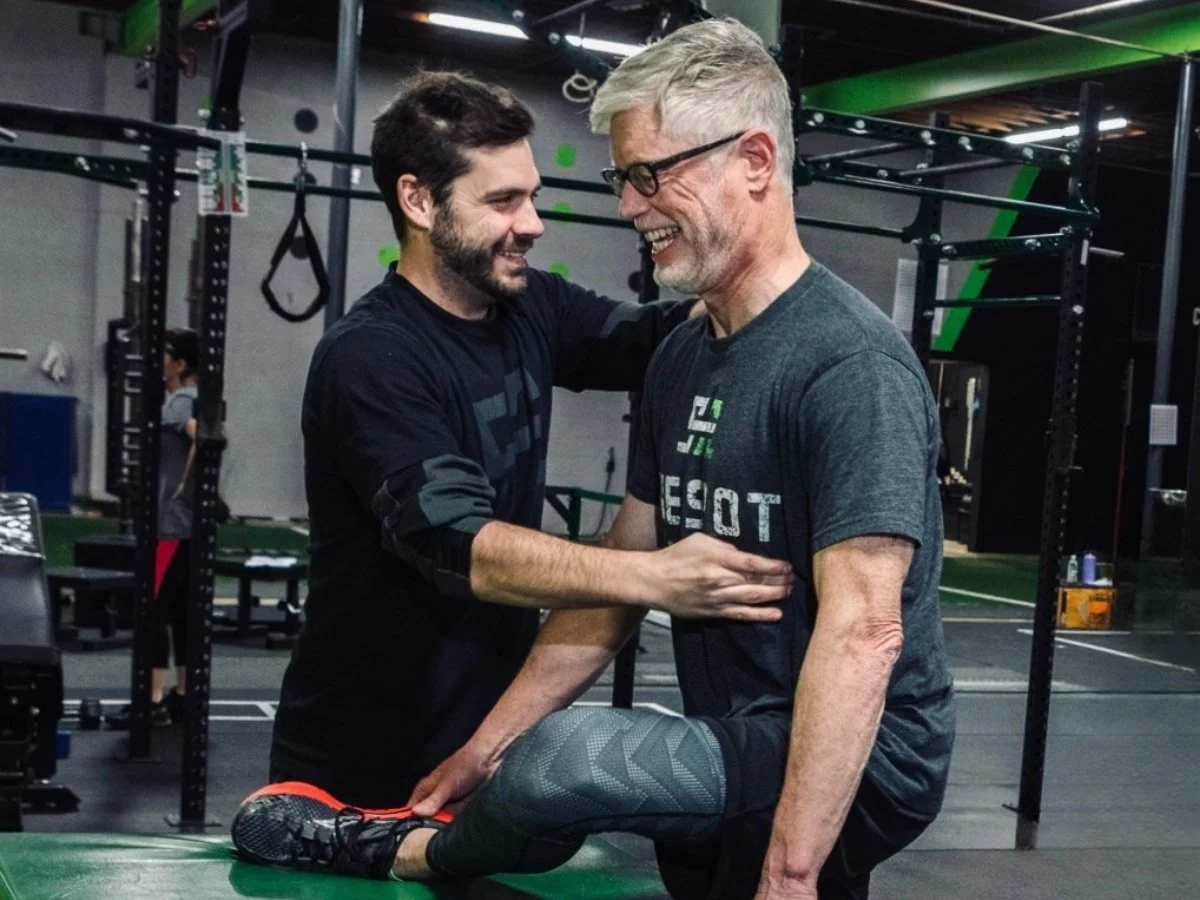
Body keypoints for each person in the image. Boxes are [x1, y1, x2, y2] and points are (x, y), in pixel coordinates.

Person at [237, 22, 954, 898]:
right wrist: (483, 750)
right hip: (403, 736)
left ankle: (397, 850)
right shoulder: (386, 357)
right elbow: (567, 566)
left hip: (842, 750)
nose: (621, 207)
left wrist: (790, 879)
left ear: (757, 161)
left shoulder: (846, 366)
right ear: (420, 203)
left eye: (649, 175)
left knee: (571, 761)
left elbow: (866, 631)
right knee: (538, 793)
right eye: (624, 179)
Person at [267, 70, 792, 809]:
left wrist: (758, 266)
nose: (533, 222)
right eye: (502, 201)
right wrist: (654, 577)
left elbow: (656, 340)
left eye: (533, 195)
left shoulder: (530, 305)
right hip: (363, 769)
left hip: (487, 754)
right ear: (418, 201)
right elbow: (459, 543)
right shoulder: (371, 357)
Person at [106, 326, 197, 728]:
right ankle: (181, 698)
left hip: (172, 526)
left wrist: (185, 488)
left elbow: (204, 438)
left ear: (180, 364)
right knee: (181, 613)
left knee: (152, 609)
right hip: (185, 525)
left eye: (163, 353)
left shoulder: (181, 402)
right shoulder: (190, 399)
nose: (156, 358)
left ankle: (152, 701)